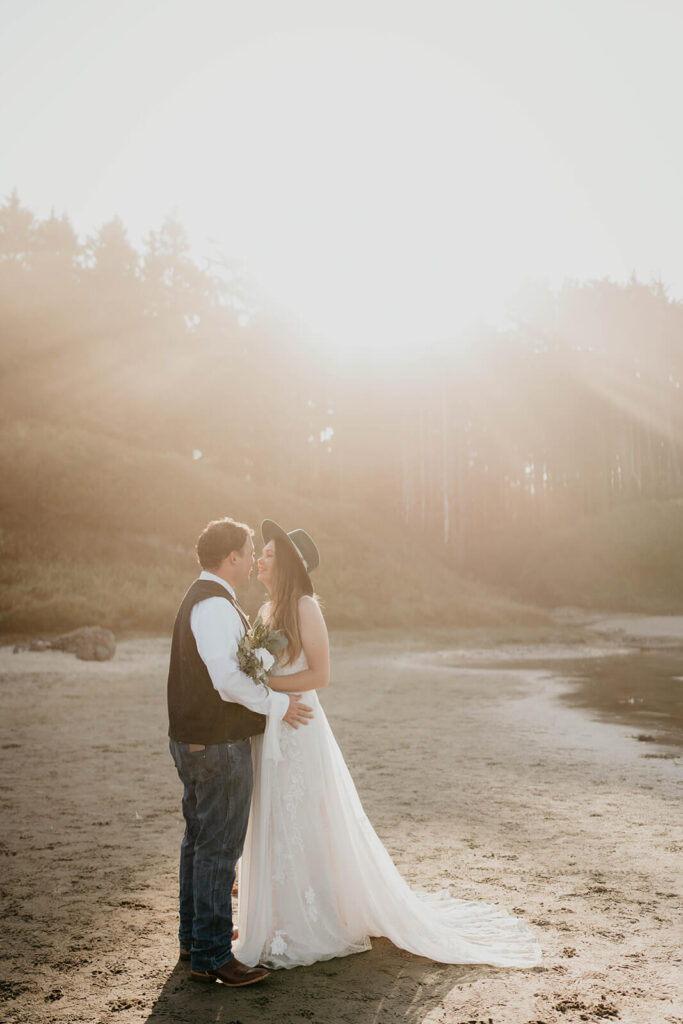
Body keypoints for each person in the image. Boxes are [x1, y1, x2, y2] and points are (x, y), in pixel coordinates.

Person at [234, 519, 542, 970]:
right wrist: (265, 691)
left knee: (304, 818)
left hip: (300, 730)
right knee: (274, 818)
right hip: (274, 728)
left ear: (287, 566)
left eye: (267, 554)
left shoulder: (304, 607)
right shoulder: (264, 612)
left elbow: (320, 676)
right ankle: (273, 915)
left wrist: (269, 684)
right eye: (258, 553)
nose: (259, 559)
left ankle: (310, 920)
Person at [167, 517, 314, 987]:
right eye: (251, 552)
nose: (254, 561)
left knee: (198, 840)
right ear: (232, 557)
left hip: (198, 740)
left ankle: (194, 938)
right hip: (216, 744)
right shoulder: (212, 605)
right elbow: (228, 680)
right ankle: (211, 955)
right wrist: (277, 705)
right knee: (218, 848)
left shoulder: (209, 598)